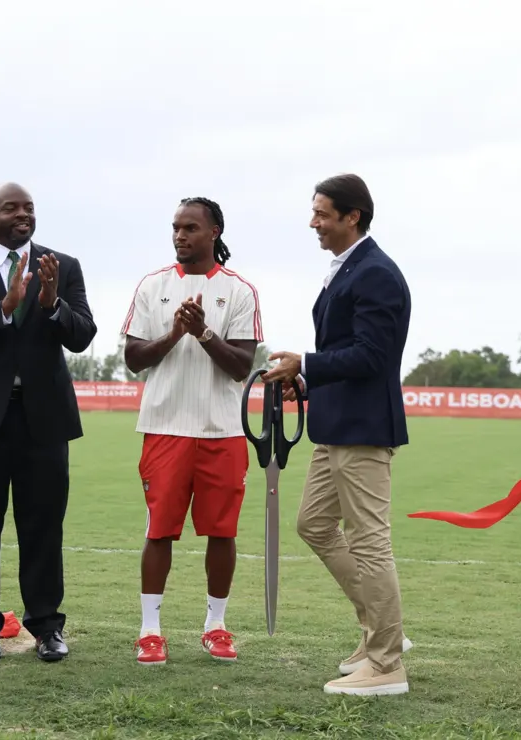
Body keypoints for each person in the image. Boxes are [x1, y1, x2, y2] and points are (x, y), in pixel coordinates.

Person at [264, 173, 412, 696]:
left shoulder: (375, 273)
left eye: (323, 214)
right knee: (314, 525)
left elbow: (373, 357)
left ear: (354, 216)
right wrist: (303, 380)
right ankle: (380, 629)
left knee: (371, 541)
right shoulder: (349, 269)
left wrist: (306, 361)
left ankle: (387, 662)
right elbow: (347, 352)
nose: (314, 223)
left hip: (364, 430)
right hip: (336, 426)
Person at [0, 182, 97, 662]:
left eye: (28, 208)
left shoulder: (62, 265)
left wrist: (52, 303)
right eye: (10, 208)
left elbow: (82, 337)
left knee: (43, 526)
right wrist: (5, 309)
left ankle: (47, 626)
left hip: (44, 419)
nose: (22, 215)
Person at [120, 197, 262, 666]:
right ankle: (150, 630)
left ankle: (216, 626)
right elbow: (134, 358)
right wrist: (175, 334)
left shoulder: (239, 291)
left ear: (214, 232)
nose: (180, 235)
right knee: (158, 531)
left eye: (191, 228)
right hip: (164, 427)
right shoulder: (153, 285)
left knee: (222, 532)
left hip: (222, 430)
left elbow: (242, 366)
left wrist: (203, 334)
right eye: (176, 228)